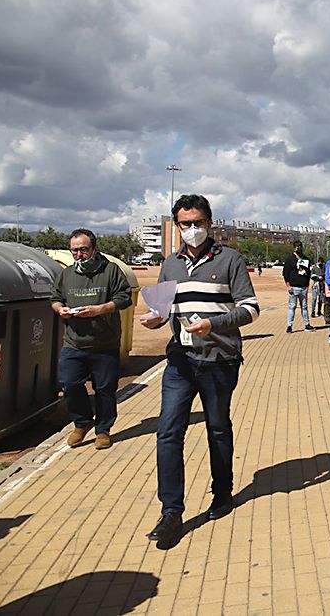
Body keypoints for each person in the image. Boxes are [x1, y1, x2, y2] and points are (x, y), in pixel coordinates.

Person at [139, 194, 260, 547]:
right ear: (177, 226)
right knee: (168, 431)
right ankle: (171, 512)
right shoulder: (170, 264)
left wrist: (214, 324)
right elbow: (163, 311)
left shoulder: (231, 260)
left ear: (210, 223)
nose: (191, 230)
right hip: (180, 359)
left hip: (219, 360)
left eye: (197, 223)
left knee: (217, 427)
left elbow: (251, 310)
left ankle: (222, 492)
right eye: (184, 224)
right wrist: (155, 319)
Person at [50, 229, 132, 450]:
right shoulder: (67, 274)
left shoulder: (110, 271)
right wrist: (61, 310)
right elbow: (55, 298)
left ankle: (103, 430)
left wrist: (100, 309)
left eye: (83, 249)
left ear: (94, 249)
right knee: (70, 384)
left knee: (105, 389)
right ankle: (82, 422)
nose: (79, 254)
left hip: (104, 344)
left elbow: (124, 298)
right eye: (74, 250)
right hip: (74, 343)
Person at [282, 240, 313, 333]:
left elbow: (308, 273)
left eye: (299, 246)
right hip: (293, 287)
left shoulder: (306, 259)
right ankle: (289, 326)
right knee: (292, 306)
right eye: (296, 246)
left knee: (304, 307)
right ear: (293, 247)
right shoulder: (290, 259)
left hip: (303, 287)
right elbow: (285, 273)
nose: (298, 248)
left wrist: (307, 284)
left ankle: (307, 324)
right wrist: (288, 286)